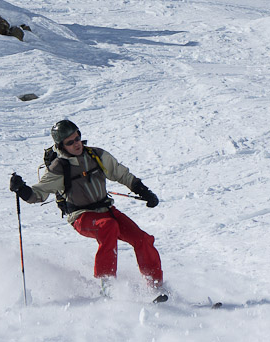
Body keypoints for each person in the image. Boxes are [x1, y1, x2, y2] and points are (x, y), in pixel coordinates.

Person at [10, 119, 166, 299]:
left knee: (143, 239)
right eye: (70, 142)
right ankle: (108, 289)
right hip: (81, 216)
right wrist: (21, 189)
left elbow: (121, 173)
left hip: (106, 210)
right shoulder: (60, 167)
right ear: (61, 146)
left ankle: (156, 287)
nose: (76, 143)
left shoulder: (96, 155)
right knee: (108, 227)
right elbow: (38, 194)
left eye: (77, 138)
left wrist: (144, 191)